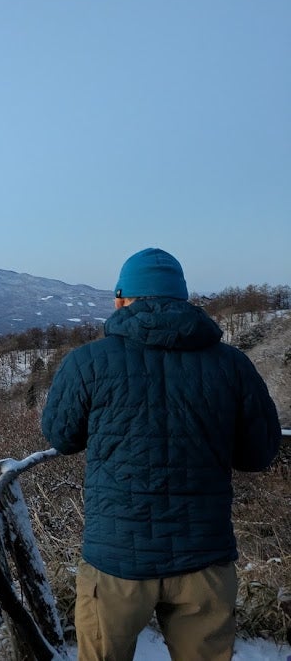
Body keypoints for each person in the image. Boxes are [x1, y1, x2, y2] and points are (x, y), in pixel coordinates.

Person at [41, 248, 280, 661]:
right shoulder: (232, 365)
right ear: (186, 300)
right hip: (204, 557)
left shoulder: (88, 362)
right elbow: (259, 454)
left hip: (115, 560)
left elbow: (61, 437)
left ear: (121, 299)